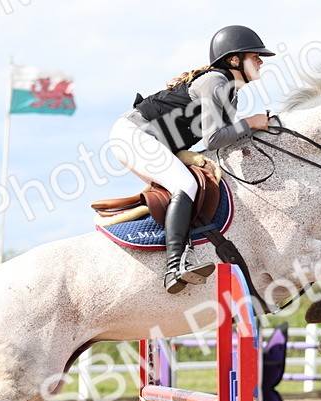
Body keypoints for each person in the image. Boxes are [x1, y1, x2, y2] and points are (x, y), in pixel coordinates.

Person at [109, 25, 274, 294]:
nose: (261, 61)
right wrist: (251, 122)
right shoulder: (215, 81)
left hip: (157, 141)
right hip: (133, 134)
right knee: (184, 184)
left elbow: (226, 139)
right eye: (255, 56)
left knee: (194, 183)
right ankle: (174, 267)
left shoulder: (231, 92)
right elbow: (213, 139)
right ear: (234, 60)